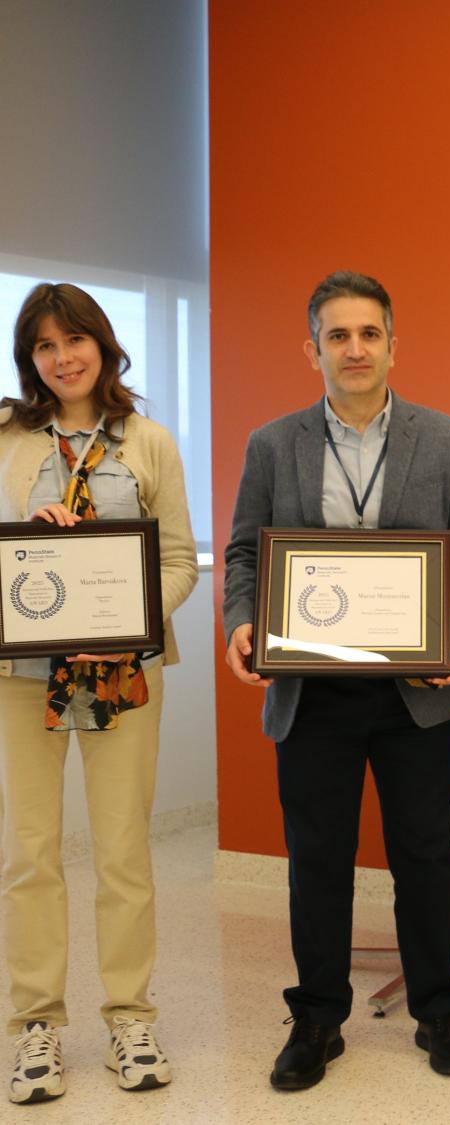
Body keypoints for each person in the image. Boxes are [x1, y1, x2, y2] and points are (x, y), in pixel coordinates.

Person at [222, 270, 450, 1089]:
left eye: (369, 333)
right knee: (318, 858)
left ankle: (439, 1010)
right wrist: (241, 619)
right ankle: (316, 1018)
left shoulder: (443, 438)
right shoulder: (273, 444)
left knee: (422, 854)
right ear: (312, 348)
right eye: (337, 335)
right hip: (313, 693)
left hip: (418, 692)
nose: (354, 349)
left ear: (391, 343)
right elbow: (246, 551)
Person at [1, 283, 197, 1103]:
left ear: (103, 344)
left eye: (74, 338)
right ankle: (35, 1026)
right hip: (21, 676)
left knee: (122, 852)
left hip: (124, 673)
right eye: (44, 345)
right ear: (30, 359)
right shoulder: (7, 439)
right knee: (29, 853)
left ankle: (130, 1017)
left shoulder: (147, 440)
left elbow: (181, 560)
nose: (61, 356)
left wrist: (125, 615)